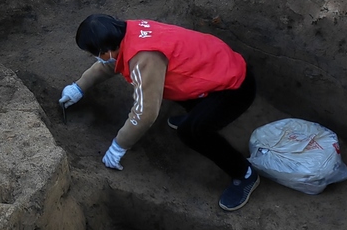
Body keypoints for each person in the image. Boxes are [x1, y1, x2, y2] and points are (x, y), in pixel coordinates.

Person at [60, 14, 260, 211]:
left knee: (192, 132)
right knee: (171, 87)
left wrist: (119, 146)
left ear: (105, 49)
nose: (94, 57)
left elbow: (145, 112)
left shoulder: (144, 58)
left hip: (234, 88)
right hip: (216, 66)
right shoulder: (128, 32)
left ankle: (244, 173)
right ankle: (198, 114)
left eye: (93, 53)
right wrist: (79, 86)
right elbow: (112, 63)